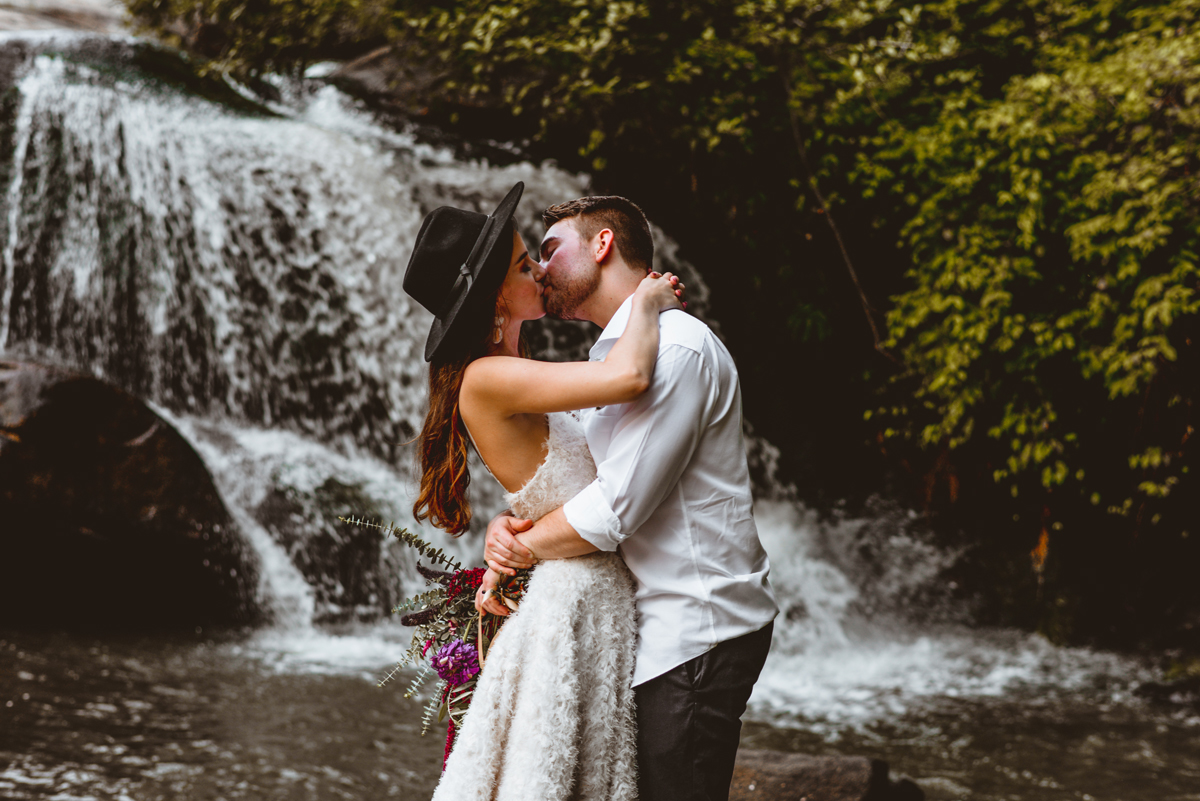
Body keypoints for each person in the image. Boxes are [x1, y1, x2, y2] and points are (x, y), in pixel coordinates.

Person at [480, 195, 779, 801]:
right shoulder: (611, 359)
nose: (538, 270)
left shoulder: (674, 348)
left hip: (694, 630)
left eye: (549, 250)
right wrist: (508, 526)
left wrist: (520, 551)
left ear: (603, 244)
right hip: (652, 630)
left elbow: (614, 509)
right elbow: (587, 478)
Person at [401, 182, 685, 801]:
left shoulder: (507, 373)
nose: (540, 270)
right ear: (497, 293)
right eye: (525, 263)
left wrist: (510, 526)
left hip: (590, 588)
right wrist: (648, 301)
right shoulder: (487, 377)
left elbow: (546, 480)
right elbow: (630, 376)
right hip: (576, 593)